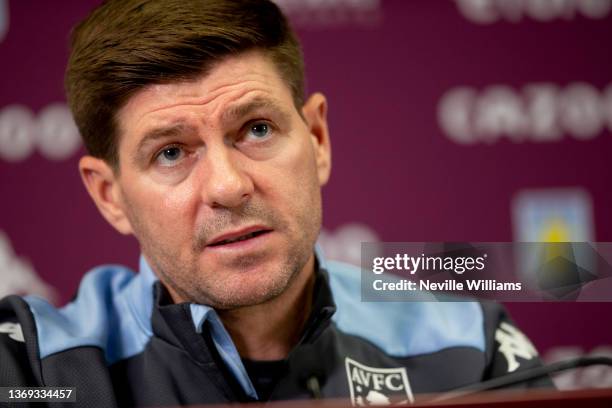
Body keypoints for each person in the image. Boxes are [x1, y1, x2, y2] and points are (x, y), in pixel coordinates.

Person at [0, 0, 551, 406]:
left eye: (256, 129)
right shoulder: (33, 371)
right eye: (171, 153)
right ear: (110, 196)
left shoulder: (466, 345)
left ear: (317, 140)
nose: (228, 186)